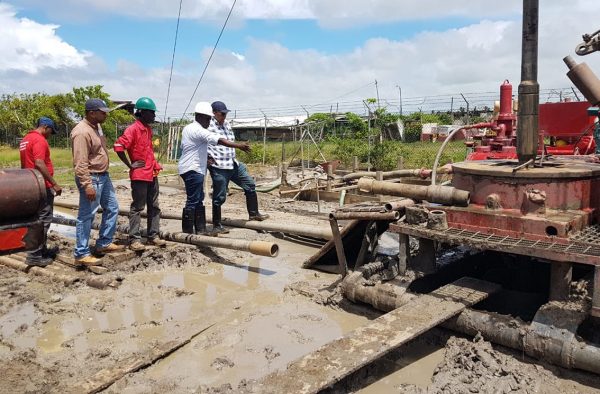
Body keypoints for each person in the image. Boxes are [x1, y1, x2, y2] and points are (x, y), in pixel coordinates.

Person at [178, 101, 251, 235]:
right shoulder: (198, 130)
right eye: (208, 119)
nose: (209, 122)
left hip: (192, 167)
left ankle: (200, 230)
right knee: (193, 200)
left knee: (198, 198)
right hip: (193, 169)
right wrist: (239, 145)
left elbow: (191, 148)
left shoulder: (189, 128)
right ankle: (188, 232)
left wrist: (206, 157)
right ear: (201, 117)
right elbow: (219, 140)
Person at [71, 98, 124, 266]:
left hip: (103, 176)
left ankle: (104, 243)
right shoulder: (81, 132)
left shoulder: (96, 127)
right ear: (91, 113)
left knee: (113, 207)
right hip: (92, 177)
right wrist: (87, 185)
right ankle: (81, 252)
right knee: (86, 215)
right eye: (102, 112)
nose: (105, 114)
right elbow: (80, 162)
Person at [207, 101, 269, 235]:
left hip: (233, 163)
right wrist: (207, 157)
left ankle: (254, 214)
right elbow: (217, 141)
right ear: (214, 113)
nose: (224, 116)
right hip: (219, 166)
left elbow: (228, 140)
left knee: (250, 185)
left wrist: (239, 147)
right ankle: (217, 225)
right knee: (219, 196)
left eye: (225, 113)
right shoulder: (208, 125)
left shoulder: (227, 124)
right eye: (222, 114)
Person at [114, 97, 167, 251]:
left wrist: (155, 165)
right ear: (142, 112)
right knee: (138, 207)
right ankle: (134, 239)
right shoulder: (133, 129)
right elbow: (118, 146)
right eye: (151, 113)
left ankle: (153, 235)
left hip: (152, 173)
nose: (154, 116)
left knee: (154, 206)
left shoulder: (148, 130)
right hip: (140, 176)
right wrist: (130, 164)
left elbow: (147, 151)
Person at [19, 117, 63, 266]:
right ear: (45, 127)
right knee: (43, 220)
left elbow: (24, 164)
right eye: (51, 131)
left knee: (35, 219)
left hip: (30, 184)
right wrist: (54, 184)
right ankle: (35, 255)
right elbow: (39, 162)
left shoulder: (26, 139)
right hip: (41, 185)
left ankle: (39, 250)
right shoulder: (39, 140)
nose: (50, 135)